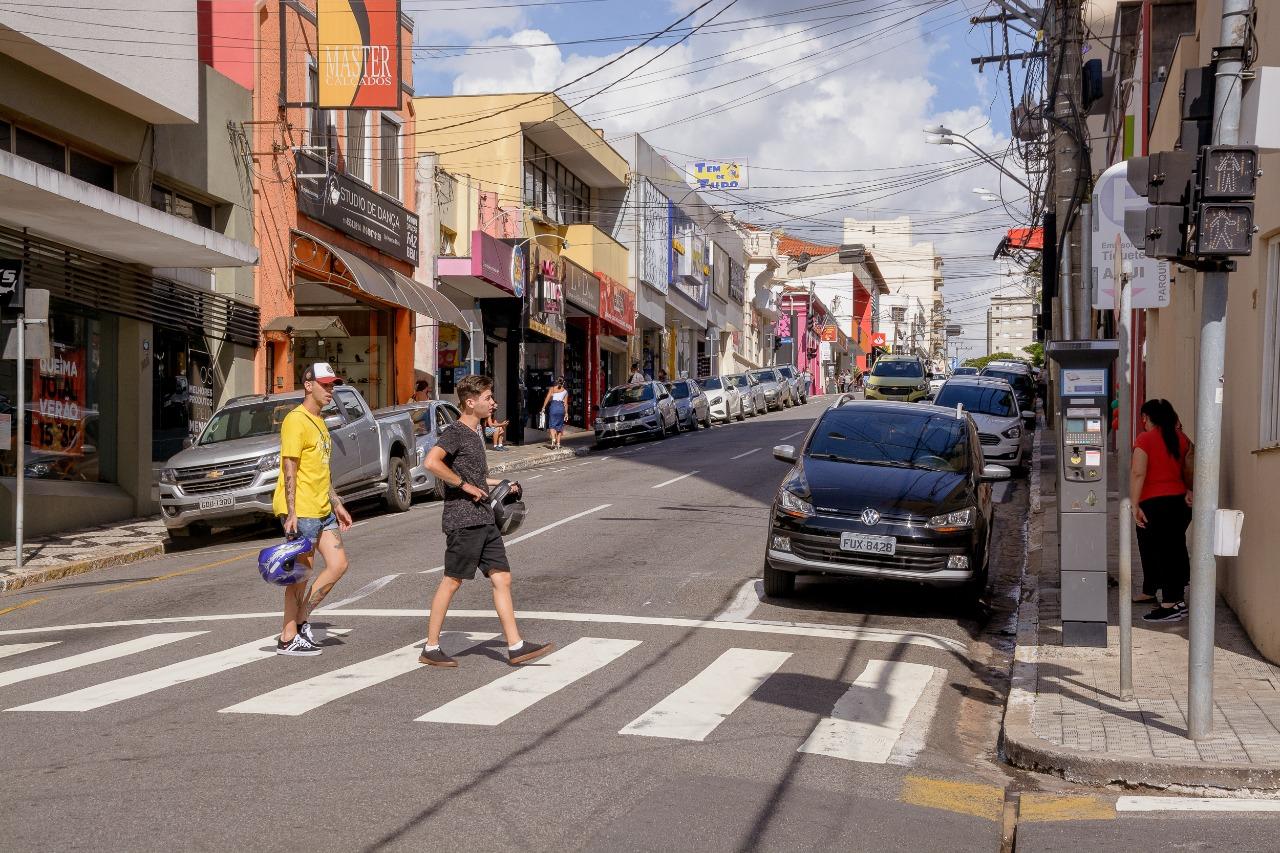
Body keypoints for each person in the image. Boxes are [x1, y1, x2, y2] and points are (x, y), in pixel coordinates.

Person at [420, 375, 553, 667]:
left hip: (483, 517)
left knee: (502, 577)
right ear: (471, 402)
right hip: (463, 519)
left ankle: (516, 646)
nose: (493, 403)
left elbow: (476, 477)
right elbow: (431, 462)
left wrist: (501, 483)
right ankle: (430, 648)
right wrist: (462, 485)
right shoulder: (456, 432)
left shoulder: (477, 431)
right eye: (488, 398)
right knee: (452, 581)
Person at [271, 362, 353, 656]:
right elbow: (289, 467)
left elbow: (321, 470)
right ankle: (287, 637)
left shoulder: (319, 421)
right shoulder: (296, 420)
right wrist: (291, 512)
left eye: (333, 385)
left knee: (338, 564)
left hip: (322, 507)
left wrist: (337, 503)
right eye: (326, 385)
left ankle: (303, 618)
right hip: (302, 510)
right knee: (300, 576)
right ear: (309, 385)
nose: (331, 390)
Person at [1130, 398, 1194, 622]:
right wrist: (1189, 489)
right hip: (1179, 502)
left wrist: (1135, 504)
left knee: (1162, 553)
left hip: (1154, 503)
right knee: (1174, 549)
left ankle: (1170, 605)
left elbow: (1138, 473)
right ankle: (1177, 600)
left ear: (1146, 418)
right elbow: (1190, 469)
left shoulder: (1145, 439)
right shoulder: (1182, 438)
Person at [541, 377, 569, 449]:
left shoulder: (552, 389)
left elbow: (547, 398)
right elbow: (565, 404)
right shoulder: (565, 391)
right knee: (559, 427)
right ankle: (558, 444)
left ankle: (553, 439)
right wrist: (566, 413)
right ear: (563, 382)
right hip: (561, 409)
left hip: (553, 408)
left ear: (557, 381)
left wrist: (543, 407)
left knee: (552, 425)